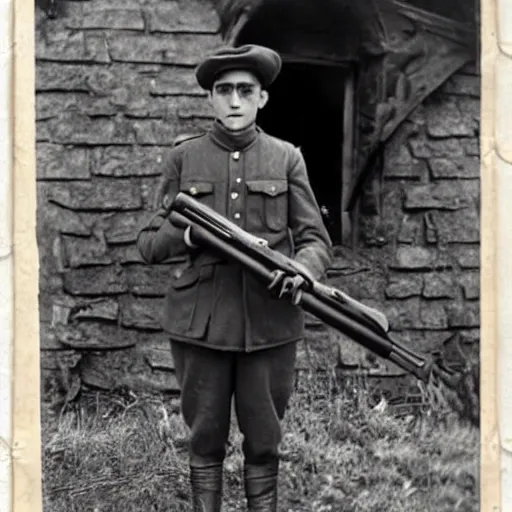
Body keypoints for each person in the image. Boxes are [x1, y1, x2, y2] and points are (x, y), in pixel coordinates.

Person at [136, 44, 333, 512]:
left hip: (269, 324)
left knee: (264, 439)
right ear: (211, 99)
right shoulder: (184, 158)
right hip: (200, 325)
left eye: (246, 90)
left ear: (263, 98)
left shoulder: (286, 159)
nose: (235, 101)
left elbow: (316, 239)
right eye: (224, 91)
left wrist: (303, 270)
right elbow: (147, 244)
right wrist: (187, 235)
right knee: (204, 439)